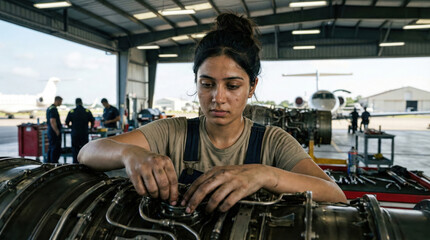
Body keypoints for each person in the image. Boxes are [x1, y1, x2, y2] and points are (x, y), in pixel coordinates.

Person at [79, 13, 346, 214]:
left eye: (232, 86)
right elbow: (87, 153)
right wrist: (129, 153)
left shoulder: (273, 142)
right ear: (196, 81)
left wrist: (265, 174)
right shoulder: (173, 132)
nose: (218, 98)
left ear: (252, 86)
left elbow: (335, 195)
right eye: (207, 84)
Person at [65, 98, 95, 163]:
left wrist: (71, 127)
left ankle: (75, 163)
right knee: (84, 148)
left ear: (75, 103)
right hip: (84, 133)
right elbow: (92, 120)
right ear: (81, 102)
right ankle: (84, 163)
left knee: (75, 149)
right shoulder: (87, 111)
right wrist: (91, 128)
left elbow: (66, 122)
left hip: (75, 133)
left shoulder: (72, 111)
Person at [46, 96, 63, 163]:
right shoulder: (53, 109)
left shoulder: (49, 108)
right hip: (53, 131)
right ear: (57, 101)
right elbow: (52, 121)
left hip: (50, 130)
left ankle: (49, 162)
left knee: (51, 147)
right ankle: (53, 163)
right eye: (60, 101)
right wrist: (57, 131)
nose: (61, 103)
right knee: (55, 148)